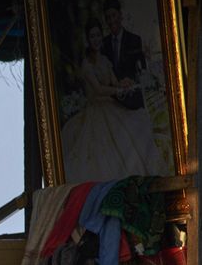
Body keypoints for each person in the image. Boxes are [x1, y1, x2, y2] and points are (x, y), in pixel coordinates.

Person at [60, 17, 167, 183]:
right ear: (88, 40)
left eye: (98, 35)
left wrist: (125, 83)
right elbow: (98, 89)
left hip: (111, 105)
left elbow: (114, 82)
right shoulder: (86, 64)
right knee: (101, 150)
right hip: (97, 110)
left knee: (136, 125)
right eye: (92, 37)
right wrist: (118, 90)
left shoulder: (105, 60)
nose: (96, 40)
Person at [100, 0, 146, 110]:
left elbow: (142, 69)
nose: (111, 21)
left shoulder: (134, 40)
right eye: (108, 18)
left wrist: (131, 81)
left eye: (114, 15)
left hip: (131, 98)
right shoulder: (103, 44)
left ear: (121, 15)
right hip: (112, 101)